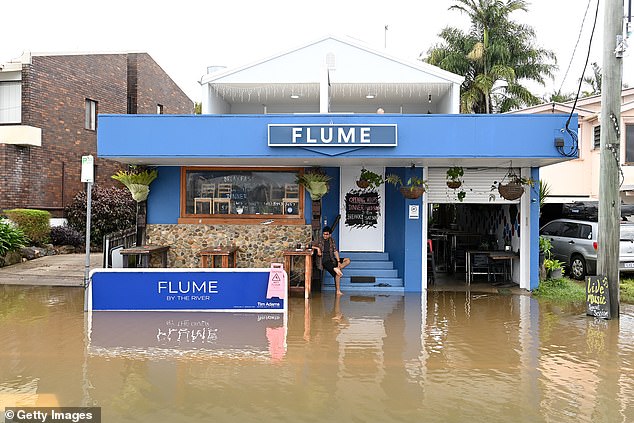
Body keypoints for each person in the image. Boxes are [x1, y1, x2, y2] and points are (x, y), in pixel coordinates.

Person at [312, 226, 350, 296]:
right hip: (323, 260)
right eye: (324, 234)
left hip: (331, 259)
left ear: (330, 234)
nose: (325, 236)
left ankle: (338, 268)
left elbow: (335, 251)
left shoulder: (332, 241)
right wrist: (317, 248)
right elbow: (308, 245)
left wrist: (338, 261)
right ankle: (338, 290)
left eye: (326, 234)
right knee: (337, 273)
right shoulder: (319, 240)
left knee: (347, 260)